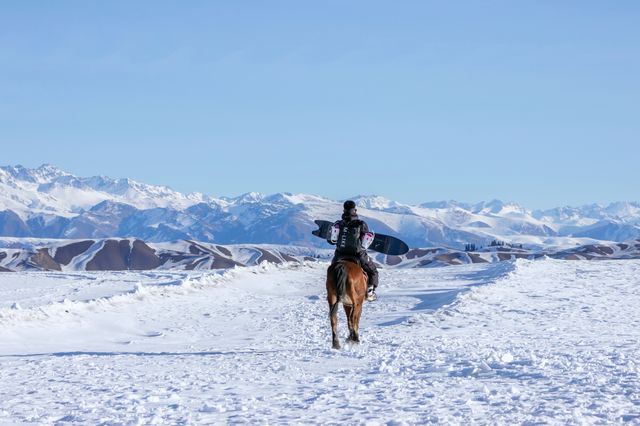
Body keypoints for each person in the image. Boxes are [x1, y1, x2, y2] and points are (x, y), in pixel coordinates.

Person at [327, 200, 379, 301]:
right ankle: (370, 292)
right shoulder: (361, 224)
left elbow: (332, 241)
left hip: (340, 254)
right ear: (355, 210)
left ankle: (331, 290)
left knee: (332, 269)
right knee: (373, 271)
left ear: (344, 210)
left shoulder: (338, 223)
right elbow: (364, 243)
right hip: (357, 254)